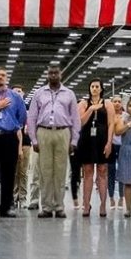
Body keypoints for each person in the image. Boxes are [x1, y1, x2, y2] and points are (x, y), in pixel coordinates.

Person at [26, 66, 79, 219]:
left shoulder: (69, 94)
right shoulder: (39, 93)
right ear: (47, 75)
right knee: (45, 172)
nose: (53, 75)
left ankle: (59, 207)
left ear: (61, 75)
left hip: (63, 132)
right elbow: (32, 117)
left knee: (61, 172)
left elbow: (75, 118)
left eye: (56, 73)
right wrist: (34, 139)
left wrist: (74, 140)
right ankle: (47, 207)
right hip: (43, 133)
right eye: (51, 73)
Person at [0, 69, 27, 218]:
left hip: (9, 137)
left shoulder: (16, 97)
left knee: (9, 173)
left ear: (6, 78)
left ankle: (6, 207)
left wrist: (13, 126)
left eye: (3, 75)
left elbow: (22, 116)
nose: (0, 77)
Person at [73, 81, 113, 217]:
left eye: (97, 86)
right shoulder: (83, 104)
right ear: (89, 89)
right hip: (87, 140)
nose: (94, 89)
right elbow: (80, 122)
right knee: (88, 172)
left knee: (102, 171)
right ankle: (86, 204)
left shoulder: (107, 104)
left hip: (102, 140)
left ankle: (103, 205)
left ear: (101, 89)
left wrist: (109, 142)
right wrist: (91, 109)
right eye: (92, 86)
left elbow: (111, 124)